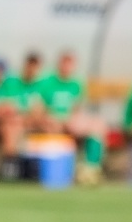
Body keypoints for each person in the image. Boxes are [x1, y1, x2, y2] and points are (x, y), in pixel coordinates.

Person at [35, 50, 108, 185]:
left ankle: (91, 167)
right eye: (64, 63)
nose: (66, 67)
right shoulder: (47, 82)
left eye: (70, 64)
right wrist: (52, 119)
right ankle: (68, 172)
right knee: (55, 127)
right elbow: (38, 111)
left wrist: (71, 120)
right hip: (50, 123)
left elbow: (77, 110)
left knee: (97, 125)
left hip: (69, 122)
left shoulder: (76, 84)